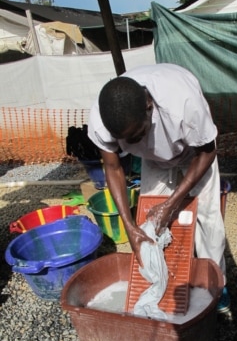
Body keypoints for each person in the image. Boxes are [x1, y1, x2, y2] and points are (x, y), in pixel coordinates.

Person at [88, 63, 229, 313]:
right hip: (152, 158)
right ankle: (167, 280)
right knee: (149, 222)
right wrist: (129, 226)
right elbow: (113, 168)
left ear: (149, 108)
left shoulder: (183, 105)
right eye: (125, 140)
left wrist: (173, 202)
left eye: (136, 135)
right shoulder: (102, 119)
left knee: (207, 219)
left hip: (193, 152)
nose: (130, 143)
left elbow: (207, 152)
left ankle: (217, 286)